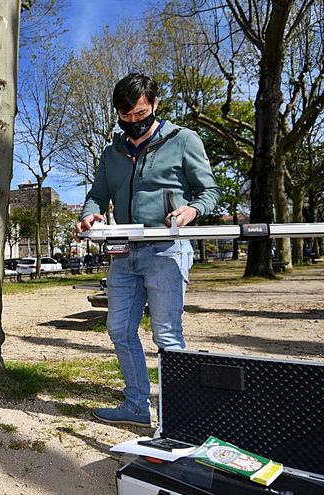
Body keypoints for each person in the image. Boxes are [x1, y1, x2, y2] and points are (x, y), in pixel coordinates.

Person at [74, 73, 220, 427]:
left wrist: (192, 210)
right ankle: (137, 406)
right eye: (126, 117)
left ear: (155, 104)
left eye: (141, 114)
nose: (134, 122)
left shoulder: (184, 140)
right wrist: (89, 213)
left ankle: (179, 416)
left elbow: (209, 192)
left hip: (167, 250)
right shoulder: (112, 153)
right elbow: (97, 194)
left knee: (167, 334)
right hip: (124, 252)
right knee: (120, 329)